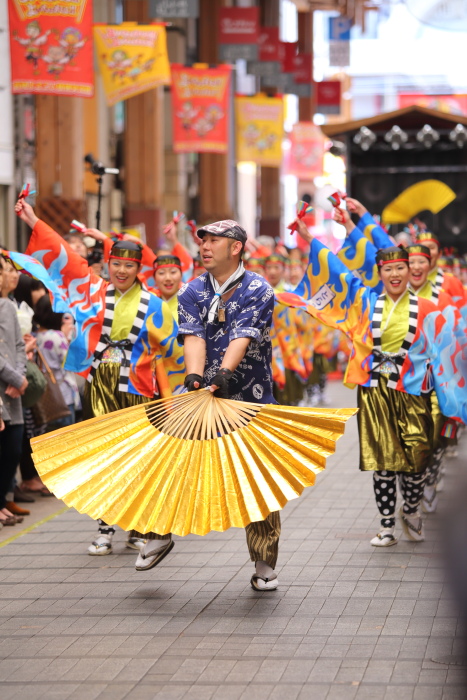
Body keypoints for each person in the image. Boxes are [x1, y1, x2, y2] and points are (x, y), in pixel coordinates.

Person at [15, 197, 185, 555]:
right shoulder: (93, 290)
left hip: (139, 385)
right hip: (102, 379)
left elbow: (169, 353)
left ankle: (138, 527)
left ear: (140, 268)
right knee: (107, 454)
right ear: (107, 264)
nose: (121, 270)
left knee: (138, 455)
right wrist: (33, 220)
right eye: (115, 264)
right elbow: (65, 257)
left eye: (129, 265)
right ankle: (105, 526)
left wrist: (170, 394)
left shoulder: (154, 303)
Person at [286, 215, 466, 548]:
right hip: (375, 393)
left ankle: (410, 509)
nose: (395, 274)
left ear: (410, 272)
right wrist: (310, 236)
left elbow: (445, 361)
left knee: (416, 461)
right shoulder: (366, 303)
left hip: (414, 393)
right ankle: (386, 525)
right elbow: (337, 270)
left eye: (401, 268)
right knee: (383, 463)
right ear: (380, 274)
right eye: (388, 269)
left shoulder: (429, 309)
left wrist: (455, 409)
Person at [133, 219, 280, 592]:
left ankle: (264, 563)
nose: (205, 246)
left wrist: (224, 375)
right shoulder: (192, 290)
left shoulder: (258, 288)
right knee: (166, 455)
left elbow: (241, 338)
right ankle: (159, 532)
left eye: (215, 240)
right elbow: (194, 337)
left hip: (250, 396)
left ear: (236, 247)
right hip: (203, 393)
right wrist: (195, 378)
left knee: (256, 481)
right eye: (203, 240)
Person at [0, 258, 28, 526]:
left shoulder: (7, 306)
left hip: (12, 390)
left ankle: (1, 501)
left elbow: (18, 344)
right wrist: (13, 376)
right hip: (3, 384)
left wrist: (19, 376)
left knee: (12, 447)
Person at [34, 295, 81, 429]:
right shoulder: (56, 336)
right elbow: (72, 361)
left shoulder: (36, 335)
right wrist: (66, 337)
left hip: (46, 396)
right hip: (62, 397)